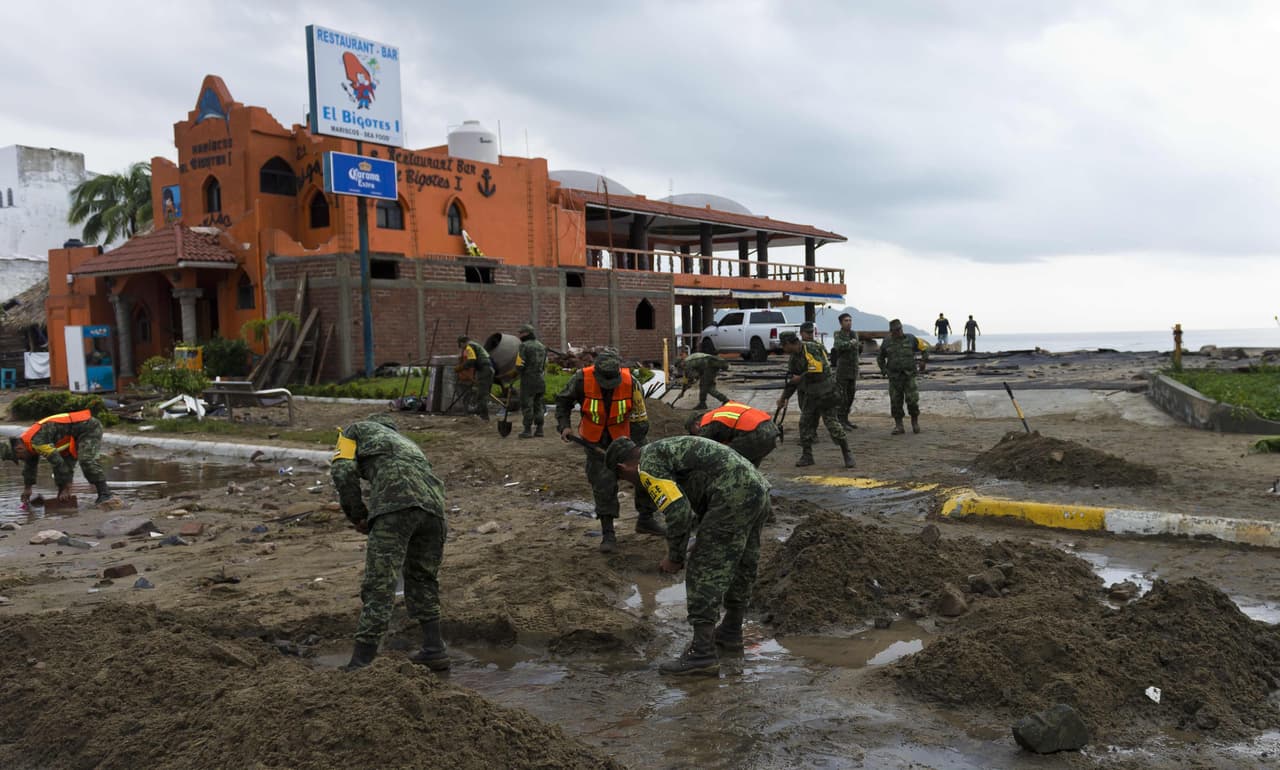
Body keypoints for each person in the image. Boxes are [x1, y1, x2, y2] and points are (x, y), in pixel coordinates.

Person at [606, 435, 772, 676]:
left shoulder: (647, 466)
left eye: (624, 479)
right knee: (742, 562)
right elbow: (701, 486)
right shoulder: (664, 449)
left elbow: (678, 513)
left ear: (623, 468)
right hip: (756, 489)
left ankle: (702, 654)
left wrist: (675, 556)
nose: (633, 484)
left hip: (732, 495)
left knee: (704, 569)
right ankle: (730, 633)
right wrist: (703, 531)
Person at [330, 414, 450, 672]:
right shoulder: (407, 443)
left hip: (395, 506)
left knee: (380, 582)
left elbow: (342, 471)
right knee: (422, 578)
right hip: (435, 509)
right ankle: (434, 648)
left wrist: (357, 514)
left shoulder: (353, 429)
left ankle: (362, 661)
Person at [555, 349, 665, 553]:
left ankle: (646, 519)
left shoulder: (631, 383)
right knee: (603, 482)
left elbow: (640, 420)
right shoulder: (581, 379)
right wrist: (564, 426)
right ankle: (608, 534)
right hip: (594, 438)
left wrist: (636, 453)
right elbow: (563, 402)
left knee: (645, 472)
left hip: (625, 438)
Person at [776, 327, 853, 468]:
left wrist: (800, 378)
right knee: (804, 423)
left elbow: (818, 370)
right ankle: (807, 456)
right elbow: (792, 381)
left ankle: (847, 453)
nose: (783, 348)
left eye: (783, 345)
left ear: (788, 343)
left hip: (826, 392)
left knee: (831, 423)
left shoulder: (811, 348)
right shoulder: (793, 358)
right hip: (811, 394)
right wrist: (783, 398)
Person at [2, 410, 114, 505]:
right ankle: (63, 497)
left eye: (20, 458)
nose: (23, 460)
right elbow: (29, 468)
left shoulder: (37, 442)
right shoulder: (27, 446)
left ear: (19, 449)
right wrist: (27, 488)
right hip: (70, 437)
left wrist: (66, 487)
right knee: (66, 463)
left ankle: (105, 494)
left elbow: (57, 463)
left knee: (85, 459)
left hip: (88, 427)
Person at [685, 402, 780, 467]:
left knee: (727, 460)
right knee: (749, 464)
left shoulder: (707, 422)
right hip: (771, 430)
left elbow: (700, 448)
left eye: (693, 432)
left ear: (696, 424)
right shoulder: (720, 412)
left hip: (755, 432)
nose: (695, 435)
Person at [876, 319, 928, 435]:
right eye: (895, 330)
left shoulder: (910, 339)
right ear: (891, 331)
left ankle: (915, 423)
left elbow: (924, 348)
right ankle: (899, 426)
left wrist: (923, 361)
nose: (898, 332)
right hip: (894, 377)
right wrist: (884, 370)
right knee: (895, 402)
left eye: (899, 329)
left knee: (913, 401)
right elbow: (880, 358)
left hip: (909, 375)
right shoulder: (887, 342)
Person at [514, 324, 547, 438]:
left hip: (528, 379)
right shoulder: (541, 346)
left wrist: (516, 373)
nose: (519, 335)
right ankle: (539, 429)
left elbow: (520, 364)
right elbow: (544, 364)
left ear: (526, 333)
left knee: (527, 404)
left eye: (521, 333)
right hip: (540, 378)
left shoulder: (524, 346)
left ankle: (527, 430)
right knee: (539, 403)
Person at [830, 312, 861, 429]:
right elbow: (838, 346)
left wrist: (853, 344)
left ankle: (846, 419)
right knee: (842, 397)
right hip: (843, 371)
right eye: (846, 321)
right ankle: (840, 420)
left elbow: (857, 347)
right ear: (841, 323)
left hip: (853, 370)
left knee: (850, 396)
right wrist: (850, 343)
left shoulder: (854, 334)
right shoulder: (838, 334)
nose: (849, 323)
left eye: (850, 320)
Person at [455, 335, 494, 420]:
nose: (462, 348)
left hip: (484, 370)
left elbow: (471, 360)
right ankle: (482, 414)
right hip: (488, 369)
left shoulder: (469, 347)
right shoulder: (476, 345)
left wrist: (460, 367)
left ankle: (484, 417)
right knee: (483, 393)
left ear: (462, 343)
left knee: (481, 395)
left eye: (460, 345)